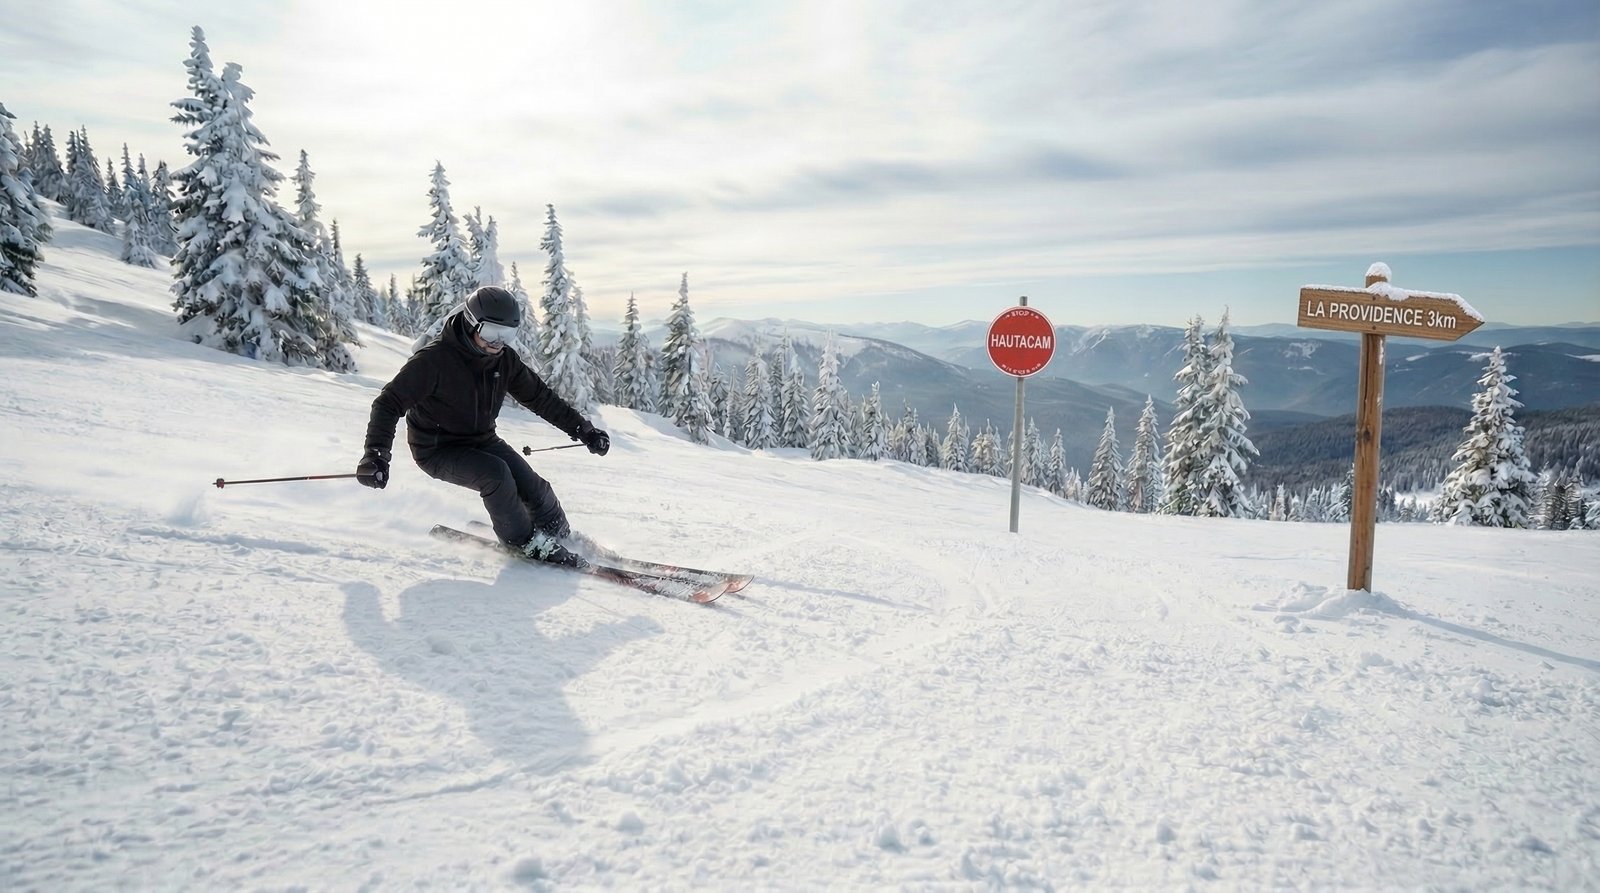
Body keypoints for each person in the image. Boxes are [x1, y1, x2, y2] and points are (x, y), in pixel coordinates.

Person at [357, 285, 610, 567]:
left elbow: (541, 398)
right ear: (471, 322)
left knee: (535, 487)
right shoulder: (434, 361)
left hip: (481, 440)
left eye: (507, 334)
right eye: (491, 332)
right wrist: (376, 455)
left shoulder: (504, 360)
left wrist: (583, 430)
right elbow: (388, 403)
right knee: (496, 475)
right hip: (437, 449)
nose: (498, 342)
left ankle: (560, 536)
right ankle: (526, 543)